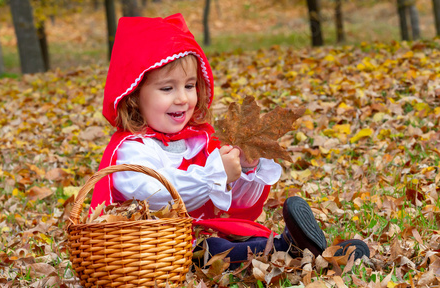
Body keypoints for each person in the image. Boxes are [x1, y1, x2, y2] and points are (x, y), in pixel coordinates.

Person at [90, 13, 369, 269]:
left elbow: (229, 205)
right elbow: (155, 195)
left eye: (189, 86)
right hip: (153, 249)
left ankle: (322, 252)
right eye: (167, 88)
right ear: (133, 95)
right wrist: (214, 175)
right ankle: (287, 249)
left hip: (205, 232)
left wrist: (242, 171)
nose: (182, 98)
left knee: (235, 237)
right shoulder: (130, 150)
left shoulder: (199, 140)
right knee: (212, 249)